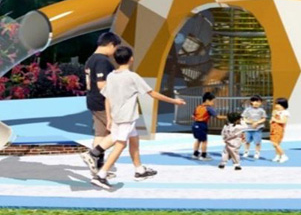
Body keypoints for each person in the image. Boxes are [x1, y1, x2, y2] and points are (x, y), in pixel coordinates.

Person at [97, 43, 187, 187]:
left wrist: (109, 117)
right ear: (131, 59)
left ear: (116, 59)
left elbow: (107, 97)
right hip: (126, 117)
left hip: (117, 116)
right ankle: (101, 175)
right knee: (120, 145)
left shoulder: (111, 76)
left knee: (134, 139)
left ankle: (139, 170)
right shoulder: (132, 77)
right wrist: (174, 101)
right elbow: (152, 94)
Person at [79, 32, 125, 176]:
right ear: (110, 44)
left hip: (92, 100)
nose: (114, 52)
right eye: (115, 48)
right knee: (119, 132)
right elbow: (102, 85)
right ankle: (92, 154)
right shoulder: (102, 61)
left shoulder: (91, 59)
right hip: (102, 102)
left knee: (101, 134)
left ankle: (97, 168)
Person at [191, 92, 216, 161]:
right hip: (202, 125)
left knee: (198, 139)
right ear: (207, 100)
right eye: (212, 101)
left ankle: (195, 154)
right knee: (204, 141)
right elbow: (217, 116)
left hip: (195, 124)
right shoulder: (209, 108)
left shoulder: (198, 107)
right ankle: (203, 155)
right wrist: (227, 117)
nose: (213, 103)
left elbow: (192, 116)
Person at [269, 98, 290, 163]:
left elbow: (284, 121)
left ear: (282, 105)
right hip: (273, 128)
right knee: (275, 144)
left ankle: (283, 155)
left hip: (279, 129)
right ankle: (278, 156)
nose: (276, 106)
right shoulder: (276, 112)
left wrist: (275, 120)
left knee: (275, 143)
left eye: (277, 104)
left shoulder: (285, 112)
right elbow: (272, 119)